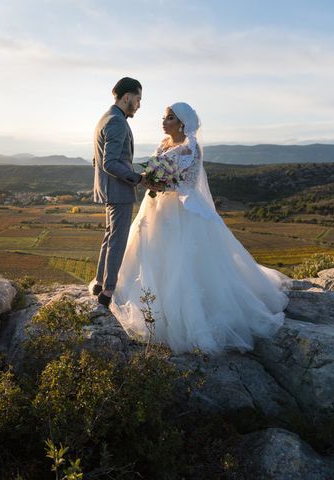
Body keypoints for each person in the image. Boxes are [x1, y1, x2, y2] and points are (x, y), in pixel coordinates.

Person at [110, 102, 289, 354]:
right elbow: (154, 169)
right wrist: (152, 179)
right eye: (164, 117)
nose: (164, 121)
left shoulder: (190, 149)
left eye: (169, 118)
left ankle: (190, 320)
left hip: (182, 210)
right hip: (157, 208)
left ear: (182, 123)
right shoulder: (163, 144)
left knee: (182, 261)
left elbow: (189, 182)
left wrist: (164, 184)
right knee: (150, 252)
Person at [91, 77, 161, 307]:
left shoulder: (105, 118)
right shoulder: (117, 122)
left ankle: (100, 283)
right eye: (138, 99)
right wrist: (138, 179)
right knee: (117, 241)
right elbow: (109, 162)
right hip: (118, 190)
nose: (139, 105)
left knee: (109, 237)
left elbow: (101, 159)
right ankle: (108, 292)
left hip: (109, 188)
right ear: (127, 97)